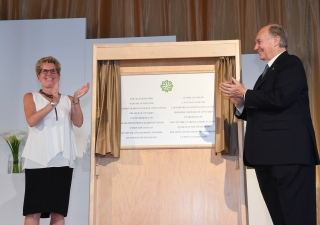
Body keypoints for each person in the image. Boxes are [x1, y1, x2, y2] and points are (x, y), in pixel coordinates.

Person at [220, 24, 319, 225]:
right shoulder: (267, 72)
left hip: (289, 157)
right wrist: (240, 103)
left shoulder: (291, 64)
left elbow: (280, 98)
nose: (256, 47)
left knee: (297, 217)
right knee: (281, 218)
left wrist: (246, 93)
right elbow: (265, 109)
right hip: (269, 158)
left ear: (276, 40)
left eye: (259, 41)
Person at [21, 56, 90, 225]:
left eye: (53, 71)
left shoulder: (67, 100)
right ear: (38, 76)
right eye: (45, 71)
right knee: (33, 212)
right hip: (37, 160)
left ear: (58, 76)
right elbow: (31, 120)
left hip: (62, 161)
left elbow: (78, 122)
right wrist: (52, 103)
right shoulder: (30, 97)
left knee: (58, 212)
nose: (49, 74)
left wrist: (75, 101)